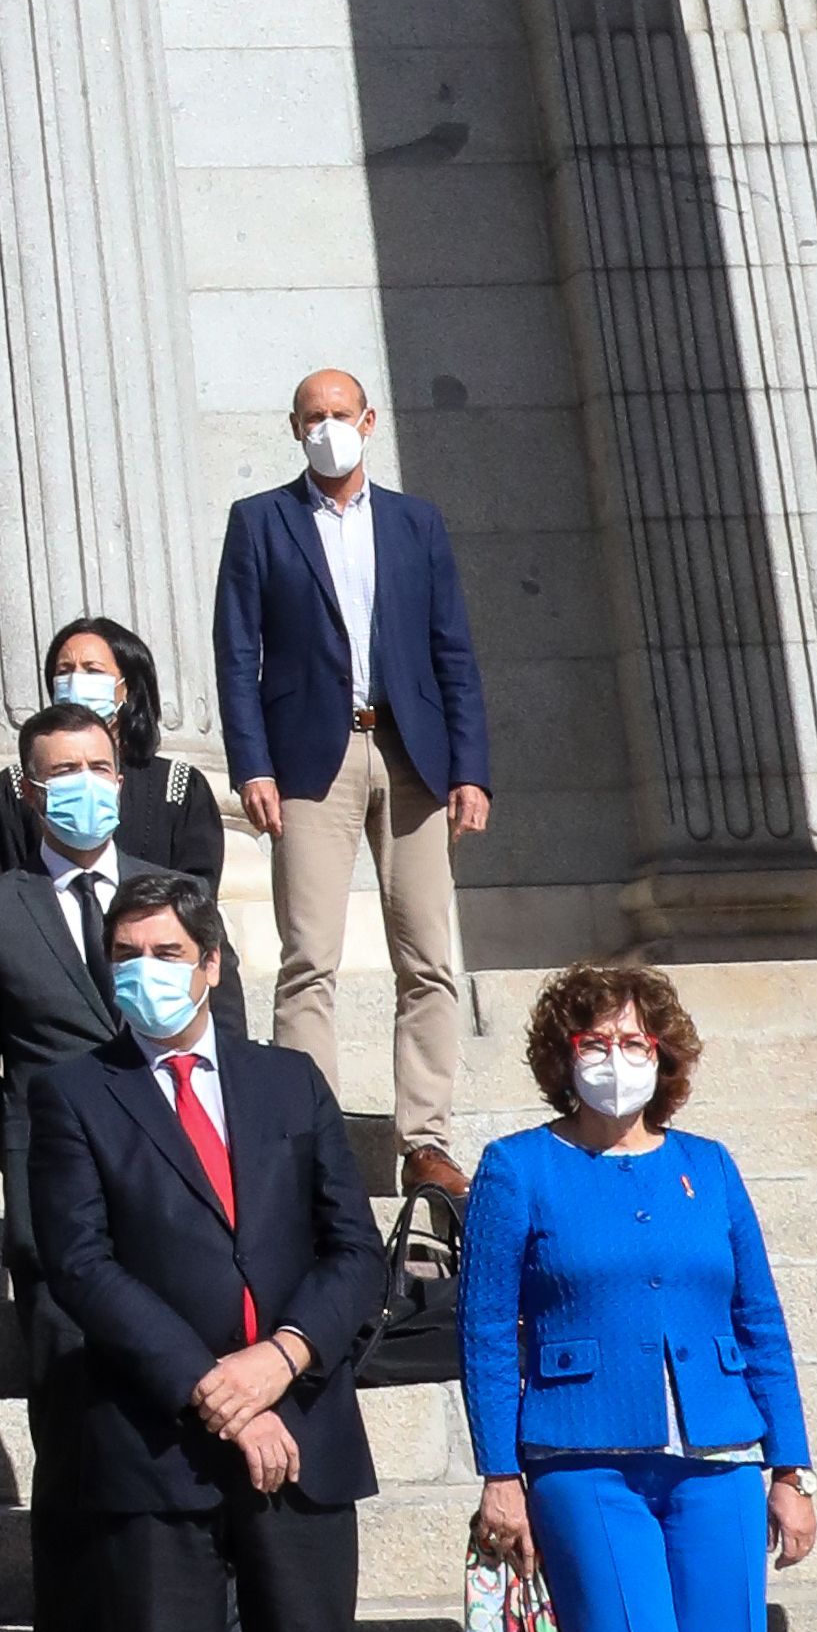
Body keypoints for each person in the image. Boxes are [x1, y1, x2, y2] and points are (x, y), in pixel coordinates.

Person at [31, 874, 450, 1632]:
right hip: (154, 1457)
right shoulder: (74, 1092)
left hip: (301, 1436)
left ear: (211, 962)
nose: (142, 970)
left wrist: (278, 1366)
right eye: (123, 953)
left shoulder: (286, 1084)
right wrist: (209, 1390)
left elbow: (347, 1250)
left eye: (163, 950)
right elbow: (82, 1264)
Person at [462, 955, 814, 1632]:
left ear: (662, 1054)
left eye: (632, 1041)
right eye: (592, 1041)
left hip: (714, 1459)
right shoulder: (517, 1167)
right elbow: (484, 1330)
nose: (614, 1059)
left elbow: (758, 1314)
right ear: (560, 1056)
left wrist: (790, 1467)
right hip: (583, 1465)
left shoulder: (707, 1167)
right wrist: (498, 1472)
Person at [215, 367, 491, 1199]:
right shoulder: (260, 521)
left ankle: (426, 1140)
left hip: (410, 754)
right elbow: (236, 653)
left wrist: (469, 769)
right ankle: (311, 1141)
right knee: (309, 958)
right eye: (312, 417)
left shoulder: (415, 523)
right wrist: (250, 763)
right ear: (293, 427)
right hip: (309, 758)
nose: (327, 427)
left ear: (367, 419)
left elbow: (453, 652)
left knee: (428, 957)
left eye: (339, 413)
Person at [0, 700, 151, 1632]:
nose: (78, 782)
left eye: (95, 764)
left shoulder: (170, 902)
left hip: (179, 1227)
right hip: (61, 1241)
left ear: (122, 774)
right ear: (25, 789)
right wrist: (36, 1163)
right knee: (68, 1471)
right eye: (57, 769)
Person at [0, 613, 229, 917]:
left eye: (92, 670)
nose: (76, 680)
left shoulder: (178, 786)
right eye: (64, 671)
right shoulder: (17, 787)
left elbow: (198, 898)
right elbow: (0, 896)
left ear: (128, 688)